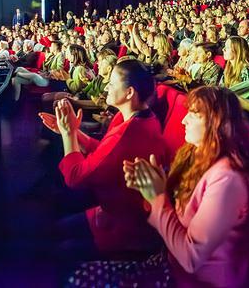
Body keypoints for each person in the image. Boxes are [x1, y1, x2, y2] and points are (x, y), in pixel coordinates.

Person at [70, 86, 249, 286]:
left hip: (190, 280)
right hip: (167, 261)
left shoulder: (227, 180)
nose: (184, 120)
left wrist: (157, 197)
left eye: (193, 115)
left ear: (217, 123)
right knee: (75, 270)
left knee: (76, 277)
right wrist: (149, 187)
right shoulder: (198, 156)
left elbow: (191, 259)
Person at [39, 60, 167, 260]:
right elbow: (104, 152)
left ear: (130, 93)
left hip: (126, 228)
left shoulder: (130, 132)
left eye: (112, 84)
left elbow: (75, 177)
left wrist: (68, 134)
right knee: (53, 230)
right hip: (110, 212)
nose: (106, 86)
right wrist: (75, 133)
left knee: (58, 249)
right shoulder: (134, 117)